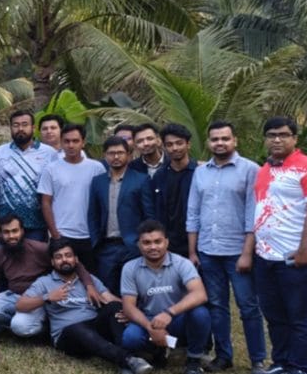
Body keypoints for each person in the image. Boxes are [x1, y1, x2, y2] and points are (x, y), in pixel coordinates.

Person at [251, 116, 307, 374]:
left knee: (299, 314)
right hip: (266, 257)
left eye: (283, 135)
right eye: (271, 135)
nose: (277, 139)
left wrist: (305, 249)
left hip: (297, 256)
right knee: (274, 313)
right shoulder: (265, 169)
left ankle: (302, 368)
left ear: (295, 138)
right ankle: (282, 361)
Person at [185, 121, 264, 373]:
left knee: (248, 306)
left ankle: (258, 359)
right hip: (208, 251)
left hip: (237, 252)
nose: (220, 143)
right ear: (209, 142)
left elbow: (254, 215)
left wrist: (247, 253)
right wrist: (193, 251)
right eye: (215, 139)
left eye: (225, 138)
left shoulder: (250, 170)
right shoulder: (201, 172)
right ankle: (223, 356)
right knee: (217, 307)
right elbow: (193, 212)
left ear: (234, 140)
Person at [17, 239, 153, 374]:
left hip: (94, 327)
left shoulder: (90, 281)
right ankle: (129, 359)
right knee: (77, 328)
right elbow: (20, 305)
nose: (64, 260)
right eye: (58, 257)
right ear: (52, 262)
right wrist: (47, 297)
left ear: (76, 259)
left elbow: (110, 298)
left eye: (68, 255)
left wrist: (131, 311)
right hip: (68, 335)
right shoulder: (44, 282)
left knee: (115, 306)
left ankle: (128, 361)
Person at [0, 213, 101, 338]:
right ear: (0, 234)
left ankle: (44, 326)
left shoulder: (40, 249)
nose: (11, 236)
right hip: (14, 295)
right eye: (6, 232)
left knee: (21, 326)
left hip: (40, 298)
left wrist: (89, 285)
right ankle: (19, 321)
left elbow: (76, 264)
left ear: (22, 231)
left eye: (15, 231)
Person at [119, 220, 210, 374]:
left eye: (158, 241)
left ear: (166, 242)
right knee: (130, 337)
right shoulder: (130, 268)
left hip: (177, 319)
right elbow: (128, 307)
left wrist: (169, 313)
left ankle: (193, 360)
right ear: (139, 245)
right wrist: (151, 328)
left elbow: (200, 294)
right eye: (147, 243)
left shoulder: (182, 263)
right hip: (149, 320)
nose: (153, 247)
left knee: (200, 314)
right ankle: (157, 352)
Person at [88, 136, 155, 294]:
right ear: (105, 155)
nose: (116, 157)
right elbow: (93, 214)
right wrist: (95, 242)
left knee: (135, 291)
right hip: (106, 247)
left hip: (132, 246)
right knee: (108, 292)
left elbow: (149, 215)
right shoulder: (97, 182)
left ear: (129, 155)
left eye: (120, 153)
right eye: (111, 153)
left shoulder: (141, 180)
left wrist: (143, 243)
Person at [0, 110, 59, 241]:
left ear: (33, 128)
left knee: (36, 254)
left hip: (37, 223)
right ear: (10, 128)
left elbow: (54, 189)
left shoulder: (49, 153)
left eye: (25, 124)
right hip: (6, 224)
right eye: (16, 125)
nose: (20, 129)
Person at [37, 123, 105, 268]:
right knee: (64, 275)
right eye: (67, 141)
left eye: (75, 141)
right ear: (61, 143)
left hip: (90, 235)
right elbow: (46, 203)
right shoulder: (51, 169)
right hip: (63, 234)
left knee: (91, 276)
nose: (71, 145)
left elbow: (103, 201)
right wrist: (55, 235)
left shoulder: (97, 168)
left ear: (83, 142)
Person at [150, 123, 196, 257]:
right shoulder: (159, 176)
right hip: (168, 245)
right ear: (164, 147)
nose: (174, 148)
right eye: (169, 144)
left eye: (179, 143)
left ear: (188, 144)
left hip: (195, 243)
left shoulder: (199, 173)